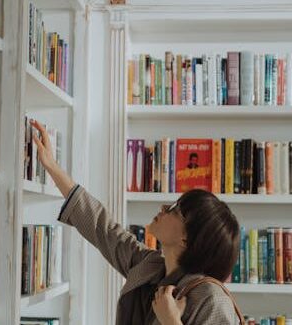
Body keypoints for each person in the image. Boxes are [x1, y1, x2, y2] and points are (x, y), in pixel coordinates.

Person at [31, 120, 242, 325]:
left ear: (187, 238)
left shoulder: (212, 299)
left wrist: (171, 322)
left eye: (175, 210)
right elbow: (102, 227)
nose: (163, 209)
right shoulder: (150, 266)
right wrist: (51, 165)